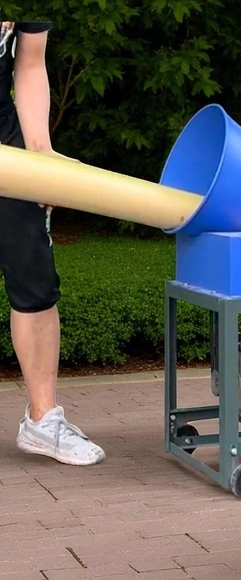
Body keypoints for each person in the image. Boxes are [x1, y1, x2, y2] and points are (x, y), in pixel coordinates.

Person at [0, 21, 105, 465]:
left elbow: (28, 61)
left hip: (5, 139)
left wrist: (40, 153)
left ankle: (43, 422)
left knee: (35, 278)